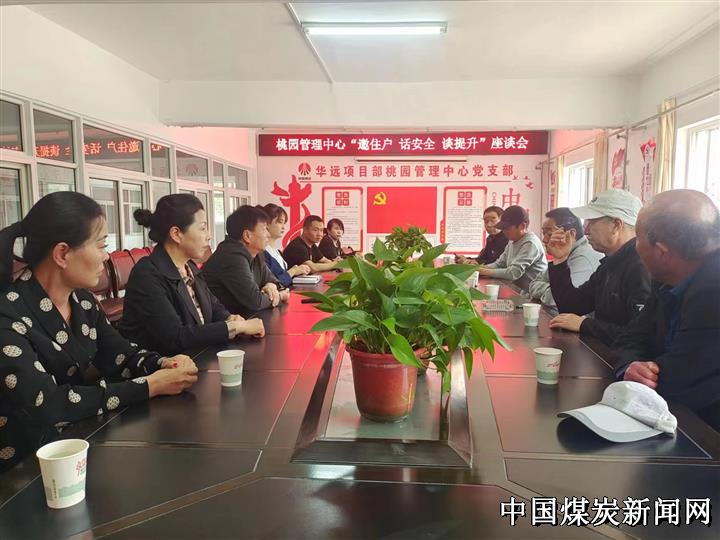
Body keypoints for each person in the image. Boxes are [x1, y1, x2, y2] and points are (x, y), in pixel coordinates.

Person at [0, 192, 197, 473]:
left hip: (77, 446)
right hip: (23, 467)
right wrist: (150, 385)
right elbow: (48, 404)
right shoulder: (8, 315)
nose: (106, 256)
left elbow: (119, 354)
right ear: (62, 254)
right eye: (101, 245)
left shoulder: (82, 300)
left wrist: (163, 363)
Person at [614, 190, 720, 431]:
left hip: (705, 431)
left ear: (661, 251)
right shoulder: (667, 277)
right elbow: (630, 336)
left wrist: (645, 375)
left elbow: (682, 379)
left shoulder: (713, 290)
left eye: (637, 238)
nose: (634, 246)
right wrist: (631, 366)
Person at [120, 194, 264, 356]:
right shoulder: (147, 275)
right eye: (202, 228)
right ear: (176, 234)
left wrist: (230, 318)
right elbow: (175, 337)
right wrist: (234, 327)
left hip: (199, 357)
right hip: (164, 366)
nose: (209, 235)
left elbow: (214, 307)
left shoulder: (190, 267)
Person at [545, 189, 651, 345]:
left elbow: (641, 336)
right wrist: (560, 259)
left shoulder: (641, 266)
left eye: (592, 222)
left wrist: (585, 324)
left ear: (616, 225)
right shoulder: (610, 263)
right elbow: (571, 306)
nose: (586, 230)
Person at [203, 206, 289, 318]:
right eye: (264, 230)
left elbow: (276, 282)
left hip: (246, 319)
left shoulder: (256, 253)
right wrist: (280, 296)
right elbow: (255, 301)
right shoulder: (231, 255)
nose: (268, 235)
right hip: (225, 323)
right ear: (247, 236)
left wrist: (271, 285)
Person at [528, 207, 603, 308]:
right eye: (543, 233)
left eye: (549, 234)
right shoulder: (563, 254)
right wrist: (549, 288)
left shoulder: (583, 258)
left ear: (571, 234)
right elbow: (533, 284)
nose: (544, 240)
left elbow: (553, 299)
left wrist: (548, 289)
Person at [477, 205, 547, 291]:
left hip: (532, 293)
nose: (504, 231)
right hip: (517, 289)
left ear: (522, 226)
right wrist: (478, 269)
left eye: (507, 228)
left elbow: (514, 273)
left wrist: (484, 271)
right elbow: (499, 264)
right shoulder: (512, 241)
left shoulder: (530, 243)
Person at [262, 204, 311, 288]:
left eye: (284, 223)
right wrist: (293, 271)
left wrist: (298, 271)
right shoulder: (262, 253)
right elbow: (272, 283)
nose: (283, 227)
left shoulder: (277, 252)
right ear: (266, 223)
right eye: (280, 222)